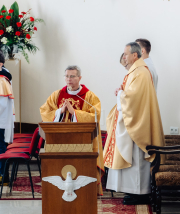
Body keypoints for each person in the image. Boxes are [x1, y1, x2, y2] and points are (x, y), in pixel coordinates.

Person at [104, 42, 164, 205]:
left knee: (137, 160)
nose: (124, 57)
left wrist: (121, 93)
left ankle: (141, 194)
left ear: (135, 55)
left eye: (126, 54)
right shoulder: (136, 71)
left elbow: (133, 98)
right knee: (133, 161)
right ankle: (134, 192)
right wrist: (122, 91)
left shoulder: (141, 72)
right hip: (134, 120)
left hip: (138, 124)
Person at [40, 65, 104, 195]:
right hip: (59, 139)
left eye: (72, 76)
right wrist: (60, 111)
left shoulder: (89, 97)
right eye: (66, 76)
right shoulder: (57, 95)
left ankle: (87, 190)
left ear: (79, 78)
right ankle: (57, 189)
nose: (69, 79)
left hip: (83, 140)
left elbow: (95, 116)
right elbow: (44, 111)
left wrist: (74, 112)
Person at [0, 51, 15, 185]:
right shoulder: (2, 74)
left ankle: (3, 175)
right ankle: (1, 173)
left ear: (0, 64)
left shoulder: (0, 79)